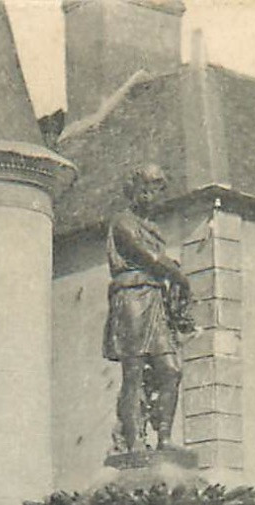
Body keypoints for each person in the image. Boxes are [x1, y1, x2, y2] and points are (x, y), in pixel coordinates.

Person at [104, 163, 193, 453]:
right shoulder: (123, 222)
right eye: (155, 191)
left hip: (155, 300)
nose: (158, 198)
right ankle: (134, 440)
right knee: (134, 372)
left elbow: (158, 261)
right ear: (141, 191)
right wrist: (178, 274)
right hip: (131, 299)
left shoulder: (152, 228)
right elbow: (148, 257)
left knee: (171, 370)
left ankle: (164, 438)